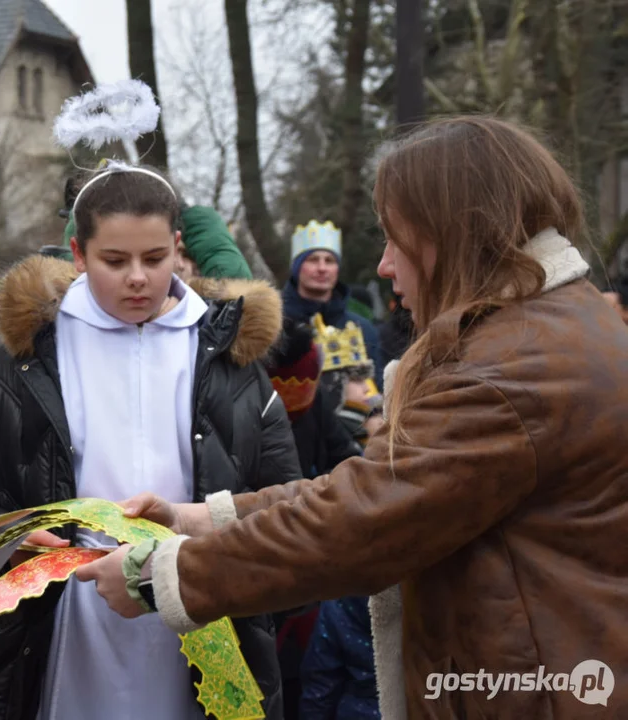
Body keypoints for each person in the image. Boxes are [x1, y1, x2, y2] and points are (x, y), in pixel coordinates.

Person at [76, 117, 628, 718]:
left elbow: (361, 520)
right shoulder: (546, 329)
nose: (386, 265)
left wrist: (161, 576)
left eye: (398, 238)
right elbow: (379, 486)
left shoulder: (512, 366)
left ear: (455, 233)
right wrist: (204, 518)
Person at [0, 162, 302, 720]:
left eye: (154, 258)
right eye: (114, 261)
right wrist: (5, 539)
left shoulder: (230, 362)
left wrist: (200, 543)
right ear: (77, 252)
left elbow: (287, 498)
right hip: (54, 632)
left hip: (195, 616)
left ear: (178, 246)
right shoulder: (16, 360)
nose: (137, 278)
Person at [283, 220, 384, 388]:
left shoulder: (363, 329)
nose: (322, 268)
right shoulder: (275, 325)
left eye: (329, 260)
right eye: (313, 260)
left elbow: (377, 389)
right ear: (297, 268)